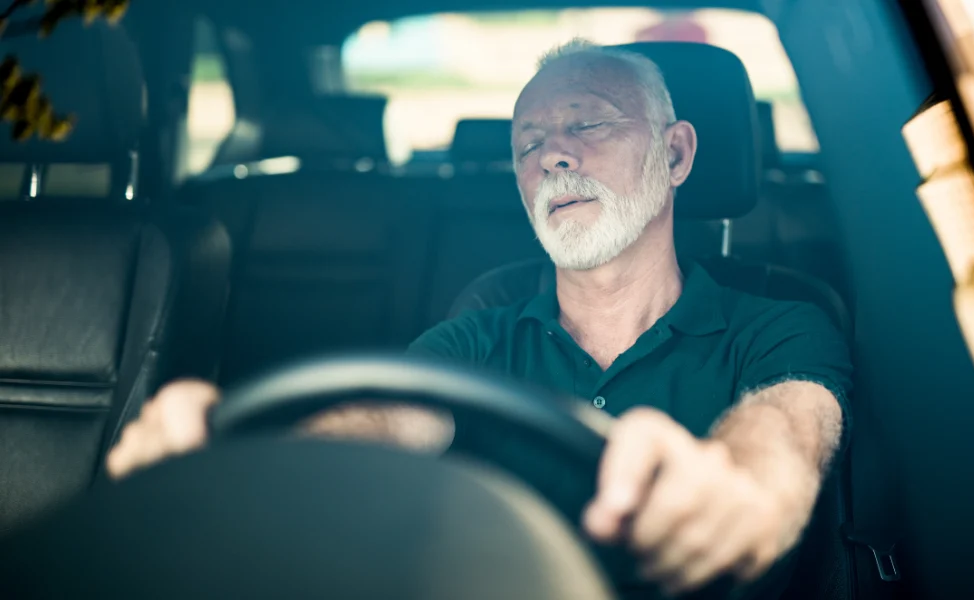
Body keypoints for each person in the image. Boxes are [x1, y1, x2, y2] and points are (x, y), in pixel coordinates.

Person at [106, 40, 851, 598]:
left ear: (677, 152)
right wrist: (259, 466)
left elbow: (787, 433)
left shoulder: (784, 324)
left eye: (587, 124)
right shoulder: (482, 331)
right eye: (527, 143)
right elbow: (384, 418)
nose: (554, 155)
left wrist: (737, 484)